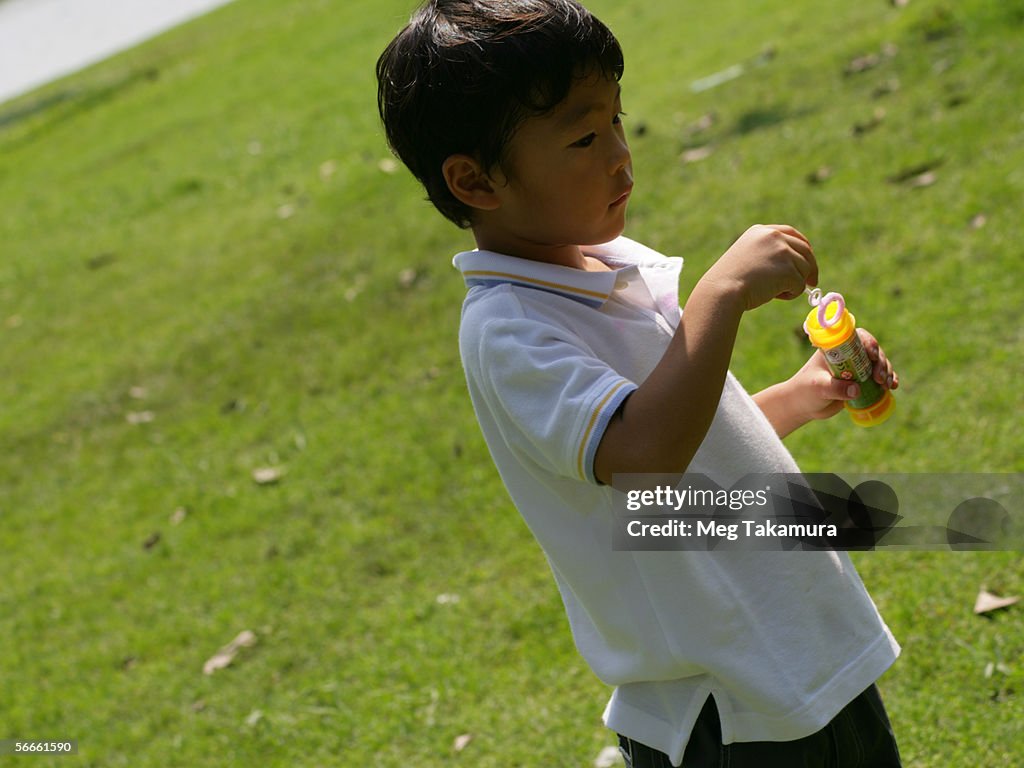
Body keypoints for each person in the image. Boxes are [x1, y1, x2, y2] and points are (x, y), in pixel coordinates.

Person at [377, 1, 903, 765]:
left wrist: (799, 395)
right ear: (476, 182)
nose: (622, 156)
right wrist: (719, 294)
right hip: (726, 706)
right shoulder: (509, 330)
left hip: (798, 657)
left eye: (619, 121)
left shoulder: (608, 265)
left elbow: (683, 451)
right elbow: (647, 449)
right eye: (586, 137)